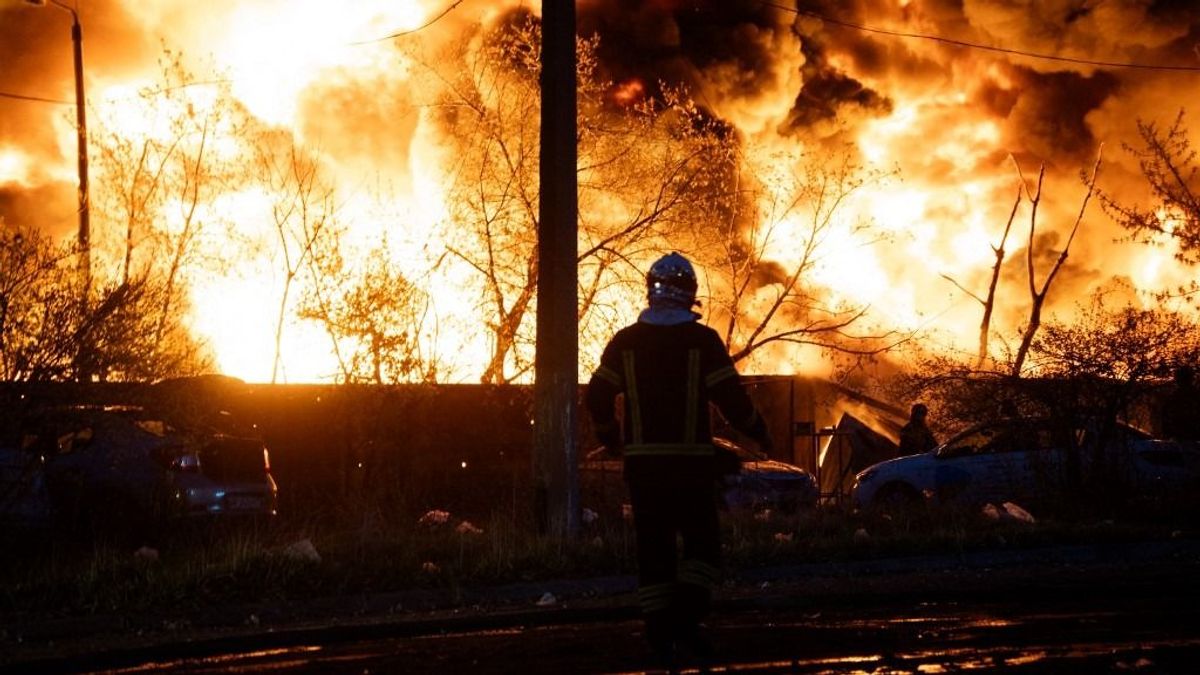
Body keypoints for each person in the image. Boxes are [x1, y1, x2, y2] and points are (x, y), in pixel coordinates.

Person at [585, 252, 771, 665]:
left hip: (644, 469)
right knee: (703, 547)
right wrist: (759, 431)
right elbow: (733, 402)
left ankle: (658, 636)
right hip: (690, 468)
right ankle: (685, 621)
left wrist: (611, 436)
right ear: (690, 295)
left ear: (650, 291)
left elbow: (596, 395)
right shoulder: (701, 341)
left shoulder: (625, 342)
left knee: (655, 552)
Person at [1161, 365, 1200, 443]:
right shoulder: (1174, 397)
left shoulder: (1173, 397)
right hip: (1183, 438)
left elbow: (1165, 418)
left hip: (1181, 438)